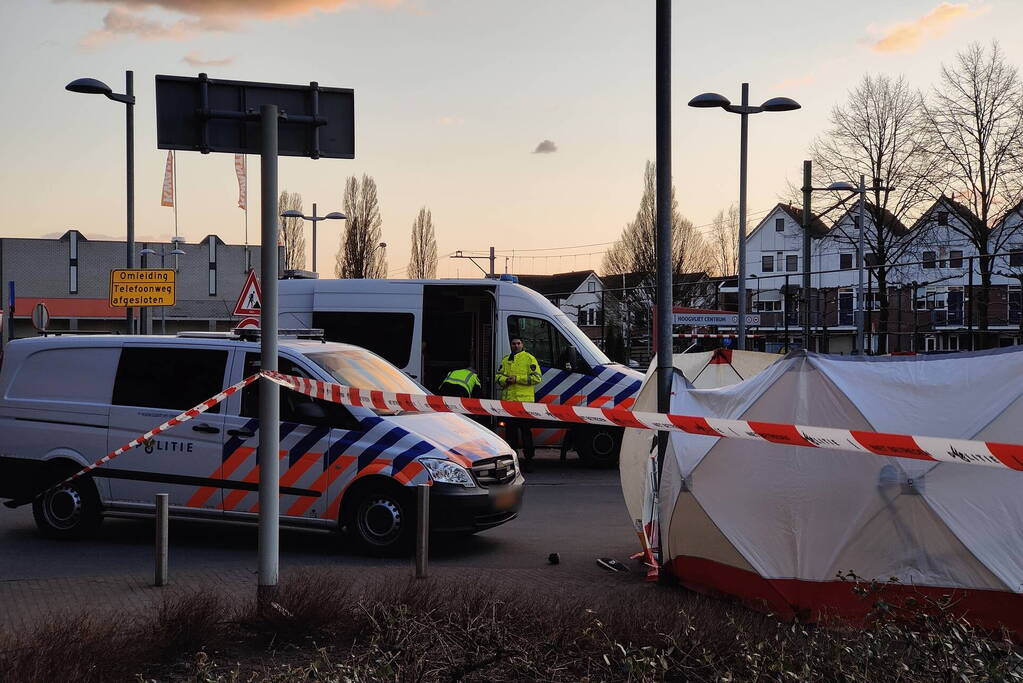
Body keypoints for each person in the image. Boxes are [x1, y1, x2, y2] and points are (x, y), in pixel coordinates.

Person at [496, 338, 542, 471]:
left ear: (522, 345)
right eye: (513, 344)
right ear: (510, 345)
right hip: (509, 404)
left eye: (518, 343)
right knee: (511, 434)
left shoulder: (529, 358)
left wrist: (517, 379)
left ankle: (529, 461)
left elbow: (537, 378)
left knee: (526, 433)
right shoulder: (506, 360)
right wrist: (505, 380)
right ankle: (513, 462)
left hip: (524, 405)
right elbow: (498, 377)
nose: (516, 346)